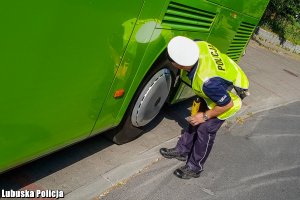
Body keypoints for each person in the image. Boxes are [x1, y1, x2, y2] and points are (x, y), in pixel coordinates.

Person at [160, 36, 249, 179]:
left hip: (231, 95)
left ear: (180, 65)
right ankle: (182, 150)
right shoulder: (198, 45)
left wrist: (205, 116)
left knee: (205, 129)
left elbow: (227, 104)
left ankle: (195, 167)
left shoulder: (206, 82)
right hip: (220, 83)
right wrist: (199, 114)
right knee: (195, 115)